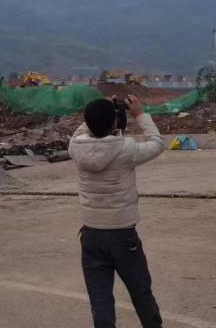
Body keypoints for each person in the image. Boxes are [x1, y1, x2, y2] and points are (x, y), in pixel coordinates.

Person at [68, 94, 166, 328]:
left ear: (87, 122)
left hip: (91, 234)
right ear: (114, 122)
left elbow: (81, 132)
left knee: (100, 297)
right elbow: (156, 142)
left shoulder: (75, 147)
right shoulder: (125, 149)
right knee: (140, 290)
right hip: (122, 234)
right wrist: (140, 114)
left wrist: (98, 112)